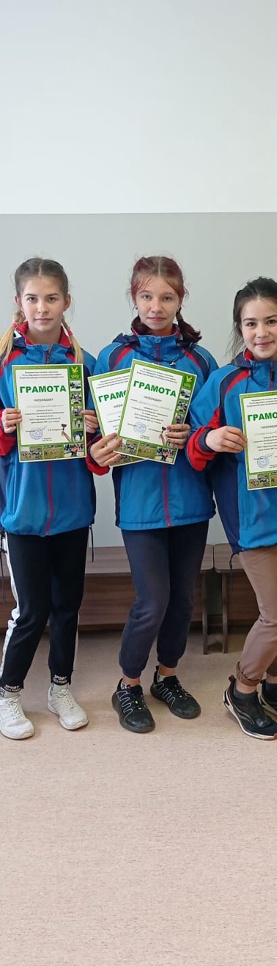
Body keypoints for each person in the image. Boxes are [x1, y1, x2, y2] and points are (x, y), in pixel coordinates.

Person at [187, 277, 277, 741]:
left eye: (271, 321)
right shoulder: (223, 382)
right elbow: (192, 449)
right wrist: (210, 439)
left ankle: (276, 685)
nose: (261, 332)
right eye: (250, 323)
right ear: (239, 327)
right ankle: (242, 688)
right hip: (251, 521)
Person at [88, 256, 218, 734]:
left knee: (182, 599)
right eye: (146, 296)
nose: (156, 306)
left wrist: (195, 435)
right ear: (134, 297)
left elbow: (213, 429)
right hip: (140, 502)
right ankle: (127, 684)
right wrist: (97, 449)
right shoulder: (112, 358)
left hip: (190, 499)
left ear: (181, 300)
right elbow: (94, 436)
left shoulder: (201, 361)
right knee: (153, 600)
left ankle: (167, 676)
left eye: (167, 297)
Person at [0, 258, 98, 740]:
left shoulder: (85, 363)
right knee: (31, 611)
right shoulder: (4, 362)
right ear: (19, 302)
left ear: (67, 301)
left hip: (73, 512)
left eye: (52, 298)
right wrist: (3, 428)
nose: (42, 307)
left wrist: (94, 427)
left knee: (67, 606)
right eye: (33, 298)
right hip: (23, 512)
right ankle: (8, 694)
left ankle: (61, 688)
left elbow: (102, 448)